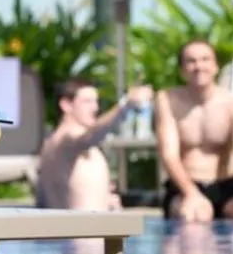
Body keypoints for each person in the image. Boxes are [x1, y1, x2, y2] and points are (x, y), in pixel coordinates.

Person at [154, 38, 233, 222]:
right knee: (196, 215)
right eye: (191, 61)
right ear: (182, 70)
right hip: (185, 186)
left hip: (224, 186)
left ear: (216, 66)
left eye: (205, 59)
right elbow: (169, 154)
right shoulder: (168, 101)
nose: (199, 66)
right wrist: (191, 193)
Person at [35, 79, 153, 211]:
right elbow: (91, 135)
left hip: (88, 227)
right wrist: (125, 105)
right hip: (78, 229)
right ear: (66, 105)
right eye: (87, 102)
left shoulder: (59, 143)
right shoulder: (64, 140)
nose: (95, 108)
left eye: (96, 101)